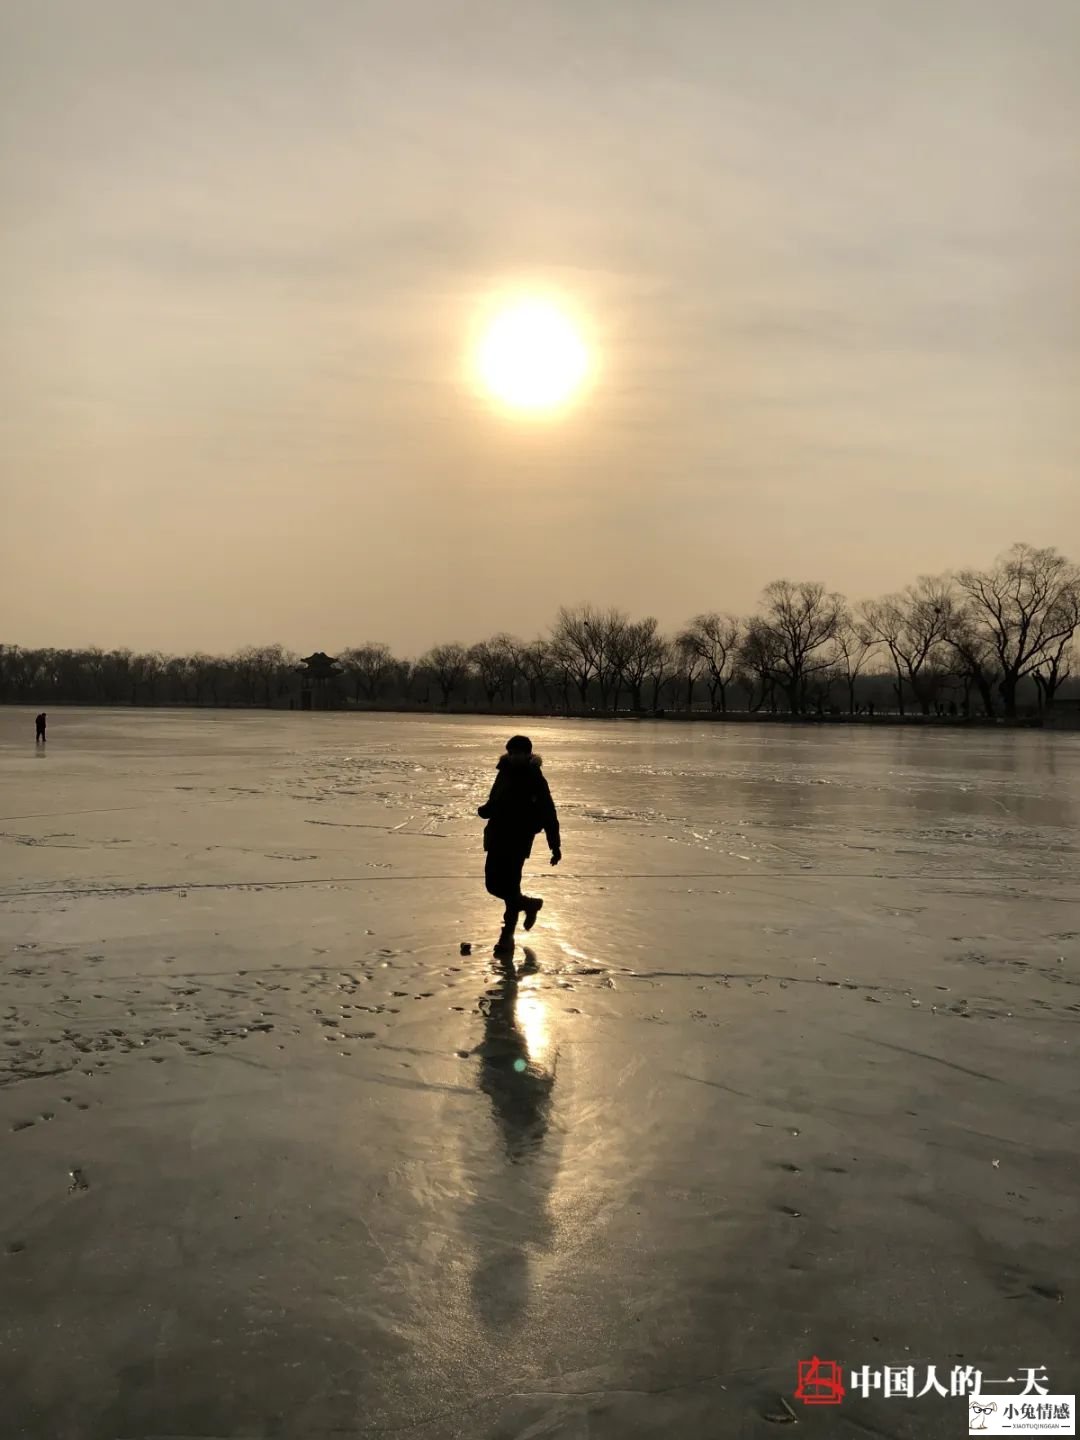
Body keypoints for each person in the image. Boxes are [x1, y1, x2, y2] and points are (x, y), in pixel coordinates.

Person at [477, 735, 560, 939]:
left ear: (528, 754)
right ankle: (529, 905)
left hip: (519, 838)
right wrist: (487, 809)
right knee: (493, 885)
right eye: (511, 753)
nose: (514, 757)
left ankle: (507, 938)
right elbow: (496, 799)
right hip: (497, 835)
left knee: (511, 884)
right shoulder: (503, 772)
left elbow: (548, 812)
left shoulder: (535, 778)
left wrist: (554, 846)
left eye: (519, 753)